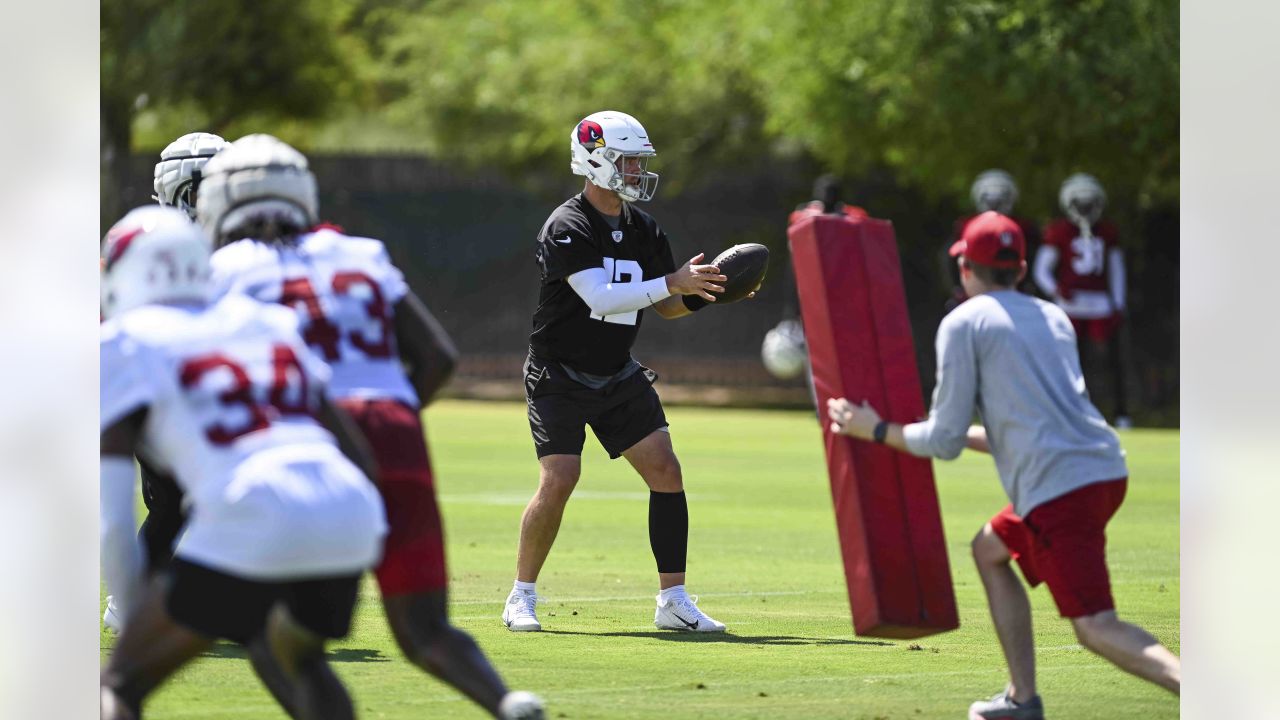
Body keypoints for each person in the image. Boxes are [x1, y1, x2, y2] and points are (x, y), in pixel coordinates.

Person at [201, 134, 543, 719]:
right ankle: (507, 703)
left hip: (308, 442)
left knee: (272, 637)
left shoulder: (225, 268)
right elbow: (438, 358)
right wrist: (391, 415)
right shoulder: (360, 253)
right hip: (394, 428)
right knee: (424, 628)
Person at [826, 211, 1179, 719]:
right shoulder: (1052, 314)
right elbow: (1023, 428)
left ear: (965, 267)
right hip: (1103, 469)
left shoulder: (963, 322)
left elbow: (942, 442)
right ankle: (1020, 699)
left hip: (1062, 488)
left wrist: (875, 429)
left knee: (1096, 626)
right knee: (990, 549)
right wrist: (917, 430)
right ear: (1021, 268)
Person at [99, 205, 388, 720]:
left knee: (120, 683)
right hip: (349, 509)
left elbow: (113, 519)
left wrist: (133, 612)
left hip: (251, 510)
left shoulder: (123, 341)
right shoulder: (267, 321)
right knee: (296, 660)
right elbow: (354, 448)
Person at [504, 110, 729, 634]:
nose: (635, 171)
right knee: (560, 477)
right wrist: (672, 283)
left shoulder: (644, 228)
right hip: (558, 373)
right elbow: (601, 300)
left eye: (638, 162)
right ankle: (521, 595)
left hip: (616, 372)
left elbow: (667, 305)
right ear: (594, 159)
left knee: (666, 471)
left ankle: (673, 600)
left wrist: (707, 291)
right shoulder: (567, 225)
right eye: (626, 160)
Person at [103, 131, 231, 633]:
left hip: (193, 386)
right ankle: (129, 601)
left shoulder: (217, 246)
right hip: (150, 384)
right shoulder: (156, 240)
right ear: (187, 188)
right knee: (176, 499)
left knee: (189, 499)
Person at [1033, 173, 1131, 428]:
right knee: (1070, 360)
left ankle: (1120, 412)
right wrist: (1057, 290)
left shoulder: (1107, 232)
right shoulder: (1059, 231)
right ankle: (1071, 410)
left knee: (1111, 362)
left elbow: (1116, 270)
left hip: (1100, 305)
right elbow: (1041, 269)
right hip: (1071, 306)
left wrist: (1118, 304)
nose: (1085, 210)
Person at [942, 170, 1041, 311]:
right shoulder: (966, 226)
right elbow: (950, 260)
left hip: (1012, 293)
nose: (994, 204)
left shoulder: (1024, 228)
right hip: (978, 294)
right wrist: (957, 288)